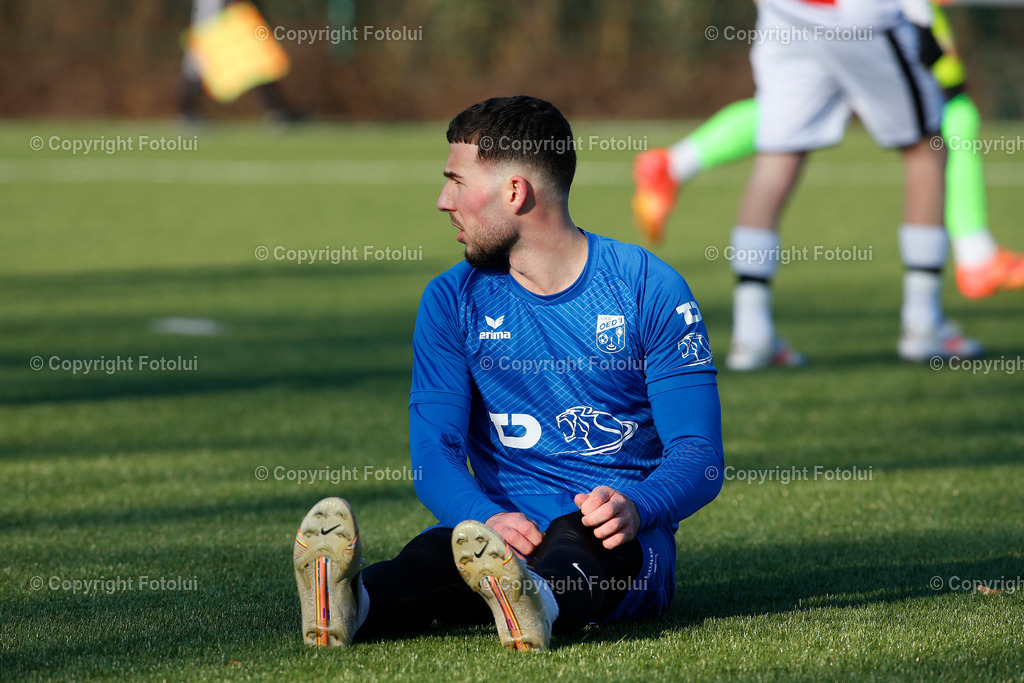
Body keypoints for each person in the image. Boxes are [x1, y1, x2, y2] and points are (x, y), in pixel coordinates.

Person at [292, 96, 724, 651]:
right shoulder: (451, 300)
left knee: (581, 542)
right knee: (432, 557)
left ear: (515, 192)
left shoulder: (647, 288)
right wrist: (485, 517)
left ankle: (536, 599)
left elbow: (699, 454)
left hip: (619, 542)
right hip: (498, 533)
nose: (443, 201)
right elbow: (435, 452)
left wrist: (638, 507)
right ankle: (350, 603)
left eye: (456, 181)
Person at [636, 0, 990, 370]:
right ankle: (923, 324)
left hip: (786, 12)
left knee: (776, 158)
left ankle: (752, 335)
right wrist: (921, 18)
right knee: (926, 150)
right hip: (859, 14)